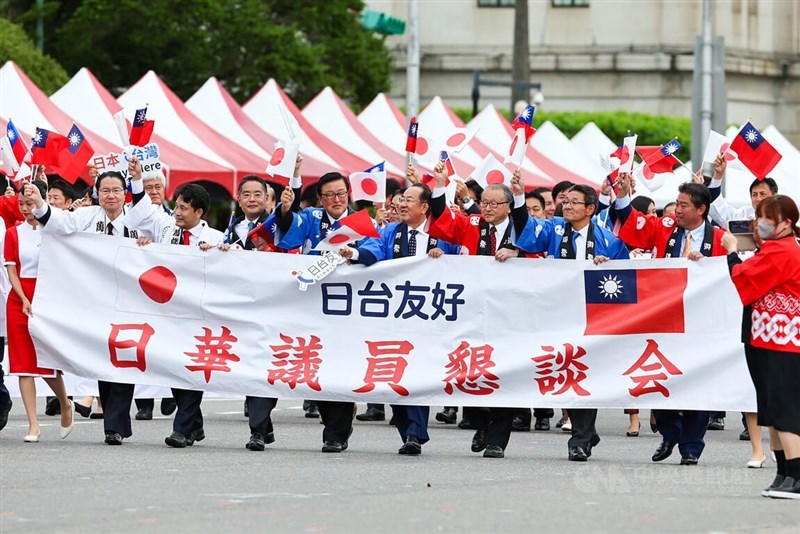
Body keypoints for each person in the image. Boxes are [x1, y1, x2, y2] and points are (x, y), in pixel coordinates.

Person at [611, 172, 728, 466]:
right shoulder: (665, 228)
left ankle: (691, 446)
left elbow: (734, 270)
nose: (677, 209)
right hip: (665, 316)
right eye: (676, 203)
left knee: (698, 383)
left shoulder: (719, 239)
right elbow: (634, 222)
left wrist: (710, 264)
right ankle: (669, 432)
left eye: (684, 205)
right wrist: (623, 194)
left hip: (703, 322)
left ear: (701, 209)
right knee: (659, 376)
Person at [513, 173, 630, 461]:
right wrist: (518, 198)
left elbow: (626, 280)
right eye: (565, 201)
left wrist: (608, 267)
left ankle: (579, 438)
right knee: (566, 371)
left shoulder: (609, 241)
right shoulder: (554, 229)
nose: (567, 206)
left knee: (584, 373)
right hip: (557, 313)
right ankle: (586, 431)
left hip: (593, 318)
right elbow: (527, 231)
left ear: (591, 209)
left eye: (575, 202)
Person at [340, 183, 460, 455]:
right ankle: (408, 431)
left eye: (408, 200)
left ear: (424, 206)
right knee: (396, 375)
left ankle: (415, 434)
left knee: (418, 374)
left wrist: (444, 257)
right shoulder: (391, 231)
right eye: (400, 200)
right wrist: (355, 254)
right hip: (394, 317)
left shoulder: (442, 235)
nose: (401, 205)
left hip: (429, 317)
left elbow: (462, 263)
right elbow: (375, 252)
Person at [31, 171, 141, 445]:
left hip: (133, 301)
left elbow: (163, 244)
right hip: (96, 301)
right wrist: (38, 202)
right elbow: (58, 222)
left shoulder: (140, 219)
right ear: (96, 193)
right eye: (105, 190)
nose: (111, 196)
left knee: (126, 358)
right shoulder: (87, 216)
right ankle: (114, 424)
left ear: (125, 193)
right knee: (107, 360)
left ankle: (115, 425)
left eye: (117, 190)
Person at [426, 161, 524, 459]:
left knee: (503, 377)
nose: (488, 208)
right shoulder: (471, 224)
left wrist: (517, 250)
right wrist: (440, 186)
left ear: (509, 206)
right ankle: (481, 423)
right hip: (470, 312)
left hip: (510, 316)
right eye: (484, 203)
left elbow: (535, 246)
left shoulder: (523, 228)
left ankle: (497, 439)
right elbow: (442, 221)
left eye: (495, 204)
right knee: (469, 372)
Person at [124, 158, 224, 448]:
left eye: (183, 208)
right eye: (177, 206)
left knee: (190, 368)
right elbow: (143, 212)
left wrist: (219, 251)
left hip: (197, 314)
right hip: (166, 312)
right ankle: (195, 424)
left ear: (199, 212)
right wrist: (136, 179)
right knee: (173, 367)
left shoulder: (215, 238)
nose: (177, 212)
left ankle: (182, 429)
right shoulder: (167, 227)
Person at [274, 171, 361, 453]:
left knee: (342, 363)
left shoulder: (361, 223)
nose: (335, 200)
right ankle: (333, 419)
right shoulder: (312, 218)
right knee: (319, 364)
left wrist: (357, 255)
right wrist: (286, 209)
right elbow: (288, 236)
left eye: (340, 194)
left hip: (348, 307)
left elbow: (375, 251)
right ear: (321, 198)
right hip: (313, 303)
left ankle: (336, 432)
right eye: (329, 195)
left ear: (348, 194)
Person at [723, 195, 800, 498]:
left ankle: (795, 474)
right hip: (767, 337)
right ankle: (783, 473)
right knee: (770, 409)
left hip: (783, 340)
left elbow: (744, 278)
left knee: (784, 409)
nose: (761, 223)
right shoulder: (774, 249)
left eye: (767, 218)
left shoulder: (784, 251)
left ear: (786, 223)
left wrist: (731, 253)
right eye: (759, 216)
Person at [6, 181, 73, 442]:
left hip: (47, 296)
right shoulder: (13, 233)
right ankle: (33, 425)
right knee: (23, 365)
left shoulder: (54, 229)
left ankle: (65, 402)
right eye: (21, 204)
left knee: (46, 361)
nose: (25, 208)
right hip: (19, 299)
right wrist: (22, 298)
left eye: (30, 203)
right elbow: (11, 269)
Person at [224, 173, 283, 451]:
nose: (251, 199)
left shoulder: (276, 225)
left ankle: (258, 430)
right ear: (239, 198)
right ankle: (263, 425)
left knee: (264, 367)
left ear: (267, 198)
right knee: (249, 366)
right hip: (242, 308)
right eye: (246, 194)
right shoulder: (233, 227)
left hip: (273, 307)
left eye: (257, 194)